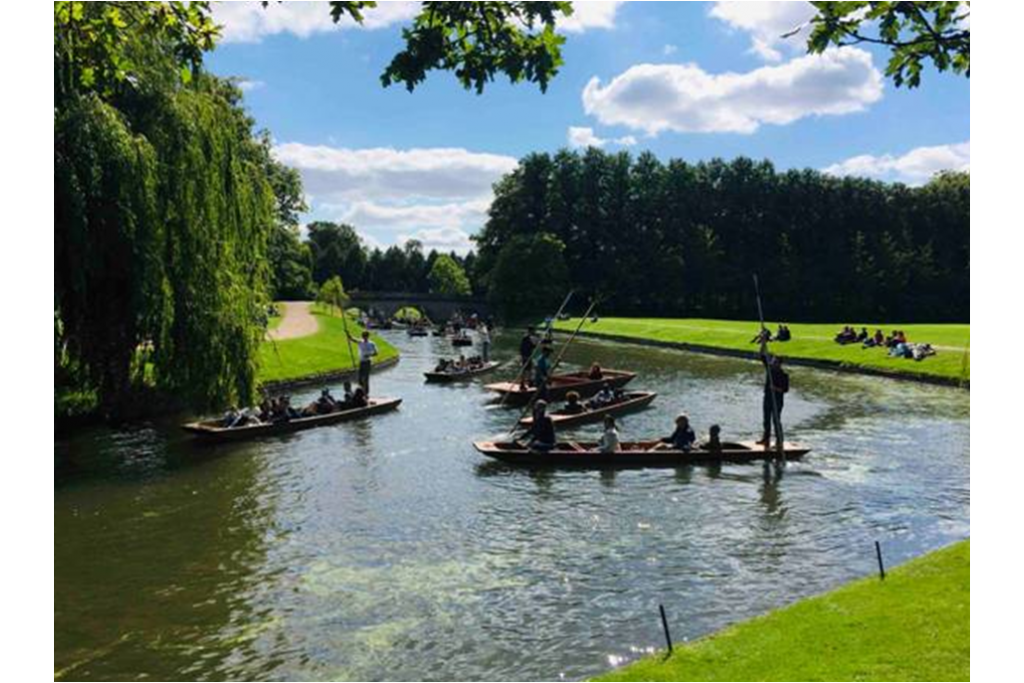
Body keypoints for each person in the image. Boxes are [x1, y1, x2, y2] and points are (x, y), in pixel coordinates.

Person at [758, 352, 789, 449]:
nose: (772, 363)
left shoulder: (784, 375)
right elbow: (762, 356)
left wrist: (775, 388)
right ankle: (766, 439)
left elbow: (785, 389)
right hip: (767, 398)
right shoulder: (769, 370)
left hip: (777, 400)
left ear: (779, 364)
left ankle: (779, 441)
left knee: (776, 420)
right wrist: (762, 344)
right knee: (766, 419)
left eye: (775, 362)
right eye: (772, 361)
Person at [347, 329, 378, 395]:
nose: (364, 337)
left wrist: (369, 355)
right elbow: (352, 339)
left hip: (367, 362)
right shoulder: (360, 342)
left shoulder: (372, 344)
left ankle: (366, 393)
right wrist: (348, 333)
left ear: (367, 336)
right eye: (363, 336)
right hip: (361, 362)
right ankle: (361, 392)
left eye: (365, 336)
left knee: (366, 378)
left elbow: (376, 353)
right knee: (360, 378)